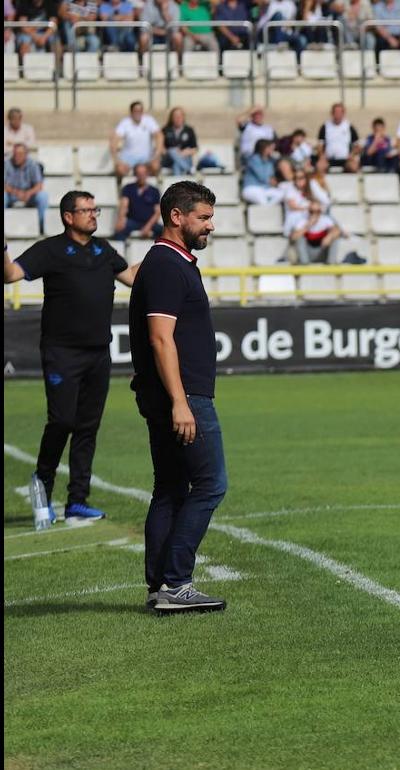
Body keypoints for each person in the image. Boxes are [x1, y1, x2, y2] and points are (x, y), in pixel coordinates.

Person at [3, 190, 140, 523]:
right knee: (62, 420)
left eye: (95, 209)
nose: (94, 215)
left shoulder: (103, 250)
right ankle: (42, 484)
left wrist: (168, 245)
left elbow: (133, 278)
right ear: (68, 216)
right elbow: (9, 275)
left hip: (98, 354)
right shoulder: (49, 250)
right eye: (87, 210)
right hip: (61, 353)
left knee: (87, 428)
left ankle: (77, 501)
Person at [128, 181, 229, 614]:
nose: (211, 225)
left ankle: (160, 586)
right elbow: (160, 339)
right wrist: (180, 401)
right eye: (203, 217)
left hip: (172, 394)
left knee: (170, 488)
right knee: (210, 484)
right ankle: (175, 582)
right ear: (177, 217)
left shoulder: (173, 262)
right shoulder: (167, 265)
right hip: (182, 395)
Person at [4, 143, 48, 233]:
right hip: (11, 194)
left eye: (20, 154)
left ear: (26, 154)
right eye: (15, 154)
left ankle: (42, 225)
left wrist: (29, 193)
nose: (17, 157)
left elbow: (39, 185)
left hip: (29, 195)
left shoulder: (33, 164)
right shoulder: (6, 164)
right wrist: (16, 192)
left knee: (43, 196)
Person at [114, 163, 164, 241]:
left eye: (143, 173)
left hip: (149, 222)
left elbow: (157, 212)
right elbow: (124, 206)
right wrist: (121, 220)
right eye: (139, 173)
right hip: (133, 221)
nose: (141, 176)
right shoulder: (128, 188)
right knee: (119, 231)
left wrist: (148, 226)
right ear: (135, 174)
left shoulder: (154, 191)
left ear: (147, 174)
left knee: (166, 233)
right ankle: (120, 251)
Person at [112, 101, 163, 177]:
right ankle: (120, 186)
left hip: (146, 158)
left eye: (140, 111)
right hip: (128, 158)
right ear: (131, 112)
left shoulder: (149, 120)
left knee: (156, 166)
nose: (138, 113)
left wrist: (157, 155)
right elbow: (114, 139)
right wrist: (116, 159)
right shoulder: (125, 122)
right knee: (119, 169)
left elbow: (159, 136)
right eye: (135, 111)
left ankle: (157, 185)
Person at [317, 103, 362, 173]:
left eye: (340, 112)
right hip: (329, 159)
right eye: (335, 112)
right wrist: (322, 156)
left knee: (354, 167)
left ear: (343, 113)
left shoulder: (349, 127)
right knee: (319, 166)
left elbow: (357, 146)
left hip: (346, 159)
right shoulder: (325, 127)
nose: (337, 114)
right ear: (332, 113)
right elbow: (320, 146)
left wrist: (352, 155)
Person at [241, 139, 286, 205]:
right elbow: (262, 176)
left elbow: (271, 176)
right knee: (263, 201)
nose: (272, 150)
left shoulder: (270, 161)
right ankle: (267, 210)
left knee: (281, 194)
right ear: (263, 148)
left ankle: (268, 208)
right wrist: (271, 181)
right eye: (269, 148)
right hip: (252, 188)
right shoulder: (254, 159)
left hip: (264, 188)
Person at [162, 107, 200, 175]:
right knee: (172, 151)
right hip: (169, 158)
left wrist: (185, 152)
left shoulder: (189, 130)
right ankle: (189, 170)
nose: (178, 118)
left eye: (180, 116)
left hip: (185, 157)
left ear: (183, 117)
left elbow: (195, 149)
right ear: (171, 118)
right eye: (175, 116)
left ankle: (178, 184)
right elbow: (161, 147)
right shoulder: (165, 130)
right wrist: (171, 152)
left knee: (176, 165)